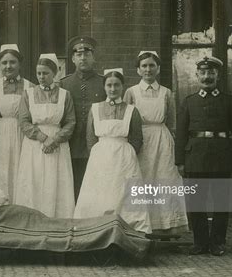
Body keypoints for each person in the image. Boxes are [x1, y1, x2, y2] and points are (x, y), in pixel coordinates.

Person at [0, 169, 151, 259]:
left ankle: (120, 231)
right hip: (2, 224)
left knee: (56, 224)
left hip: (11, 214)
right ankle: (115, 234)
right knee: (56, 232)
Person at [175, 57, 232, 256]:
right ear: (197, 76)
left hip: (222, 156)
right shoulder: (189, 102)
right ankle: (200, 242)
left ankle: (218, 243)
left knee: (221, 203)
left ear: (218, 75)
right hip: (195, 157)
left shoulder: (229, 101)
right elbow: (181, 134)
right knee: (196, 202)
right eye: (203, 73)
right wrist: (180, 160)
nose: (207, 77)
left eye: (211, 73)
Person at [74, 69, 151, 234]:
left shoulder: (131, 110)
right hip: (100, 157)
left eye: (117, 85)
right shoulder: (95, 108)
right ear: (104, 87)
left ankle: (129, 229)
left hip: (124, 158)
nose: (113, 88)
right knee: (100, 192)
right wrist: (98, 155)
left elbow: (137, 138)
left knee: (123, 192)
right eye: (109, 85)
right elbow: (90, 137)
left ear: (123, 87)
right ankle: (96, 228)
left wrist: (127, 155)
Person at [123, 51, 188, 235]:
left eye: (152, 65)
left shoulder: (166, 93)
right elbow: (126, 119)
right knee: (142, 180)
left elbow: (172, 122)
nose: (148, 69)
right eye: (144, 66)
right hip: (140, 140)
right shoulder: (131, 92)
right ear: (138, 70)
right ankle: (143, 226)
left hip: (162, 140)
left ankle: (167, 227)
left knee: (165, 180)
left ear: (158, 69)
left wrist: (171, 142)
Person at [14, 53, 76, 218]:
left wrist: (55, 139)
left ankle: (57, 219)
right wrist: (43, 138)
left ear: (55, 73)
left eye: (45, 73)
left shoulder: (65, 95)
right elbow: (24, 121)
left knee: (56, 181)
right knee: (34, 179)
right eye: (39, 73)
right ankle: (33, 218)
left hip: (58, 144)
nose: (41, 77)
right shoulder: (28, 94)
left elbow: (70, 122)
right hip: (35, 145)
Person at [60, 36, 107, 201]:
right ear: (73, 58)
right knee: (71, 186)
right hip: (71, 144)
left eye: (87, 54)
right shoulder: (64, 84)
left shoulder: (104, 83)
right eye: (78, 55)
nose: (83, 58)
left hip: (97, 145)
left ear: (93, 58)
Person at [0, 44, 34, 200]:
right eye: (4, 63)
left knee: (21, 170)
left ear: (19, 64)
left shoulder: (30, 87)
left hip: (22, 134)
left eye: (12, 62)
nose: (8, 66)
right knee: (0, 170)